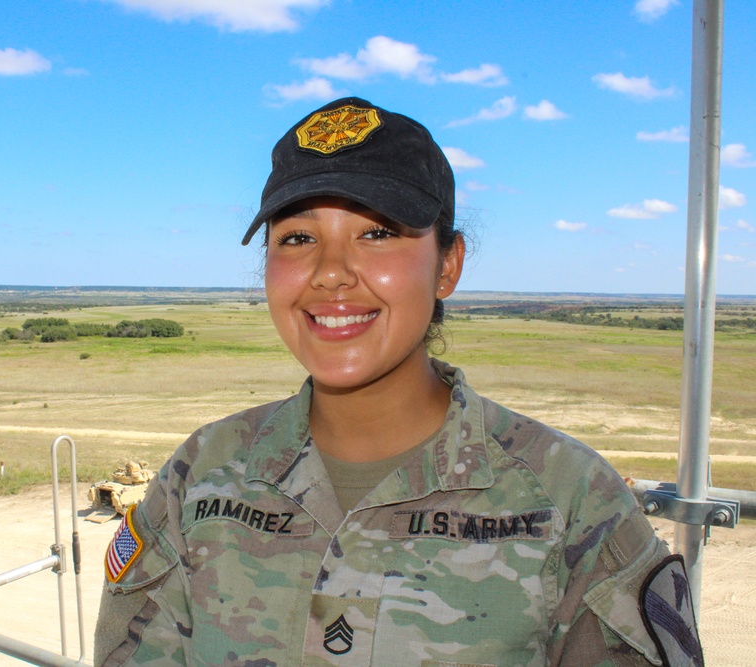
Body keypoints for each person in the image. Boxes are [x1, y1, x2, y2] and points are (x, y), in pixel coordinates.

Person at [94, 98, 704, 666]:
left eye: (378, 232)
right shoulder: (199, 475)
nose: (331, 273)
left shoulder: (570, 501)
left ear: (448, 265)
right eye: (298, 238)